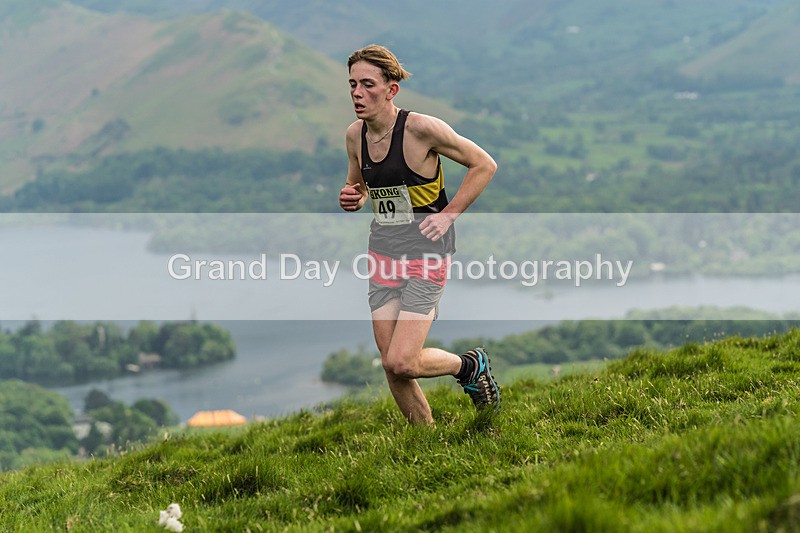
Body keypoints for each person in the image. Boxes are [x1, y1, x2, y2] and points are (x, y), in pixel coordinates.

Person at [338, 45, 500, 425]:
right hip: (383, 252)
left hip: (427, 254)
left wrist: (449, 215)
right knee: (391, 366)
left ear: (391, 90)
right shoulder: (354, 136)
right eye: (352, 85)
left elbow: (484, 164)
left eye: (367, 85)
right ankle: (426, 443)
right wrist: (353, 197)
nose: (357, 93)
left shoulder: (422, 129)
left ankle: (469, 367)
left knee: (402, 359)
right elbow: (358, 186)